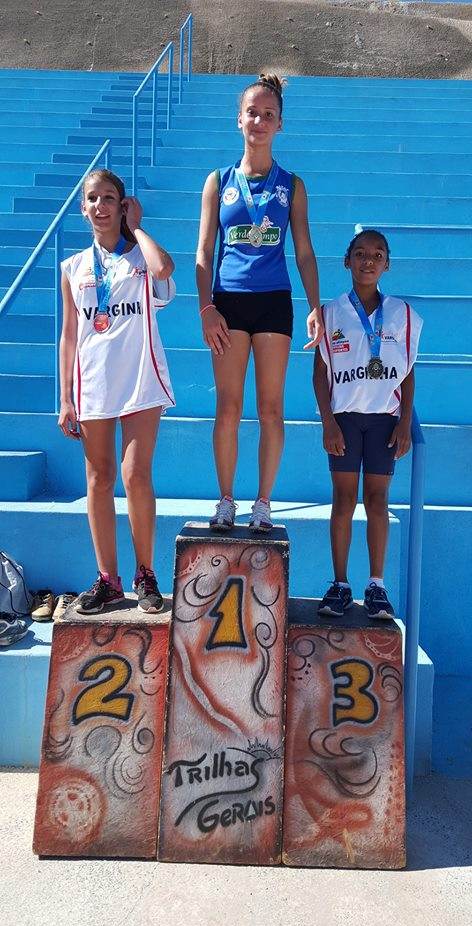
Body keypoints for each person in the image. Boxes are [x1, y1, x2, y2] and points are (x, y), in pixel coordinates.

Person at [196, 73, 323, 533]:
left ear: (280, 124)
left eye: (269, 114)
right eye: (252, 112)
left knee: (271, 408)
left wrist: (315, 305)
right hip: (228, 303)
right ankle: (226, 500)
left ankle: (263, 503)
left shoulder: (292, 184)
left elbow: (304, 251)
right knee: (228, 408)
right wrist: (206, 308)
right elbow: (203, 252)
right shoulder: (218, 181)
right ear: (239, 119)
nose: (260, 120)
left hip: (274, 302)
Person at [58, 169, 176, 614]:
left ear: (123, 206)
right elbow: (69, 335)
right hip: (94, 383)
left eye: (110, 198)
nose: (101, 205)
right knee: (98, 478)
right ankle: (108, 579)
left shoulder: (142, 257)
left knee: (135, 475)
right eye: (93, 198)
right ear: (83, 207)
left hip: (141, 380)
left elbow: (164, 269)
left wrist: (137, 226)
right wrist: (66, 397)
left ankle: (146, 573)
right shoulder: (73, 268)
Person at [312, 228, 422, 618]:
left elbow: (408, 373)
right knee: (343, 500)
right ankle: (340, 584)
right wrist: (328, 422)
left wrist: (404, 422)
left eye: (377, 255)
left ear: (387, 264)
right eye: (360, 253)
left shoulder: (402, 314)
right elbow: (319, 373)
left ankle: (376, 586)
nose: (368, 261)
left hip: (383, 422)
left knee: (377, 501)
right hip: (344, 419)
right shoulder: (329, 313)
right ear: (347, 260)